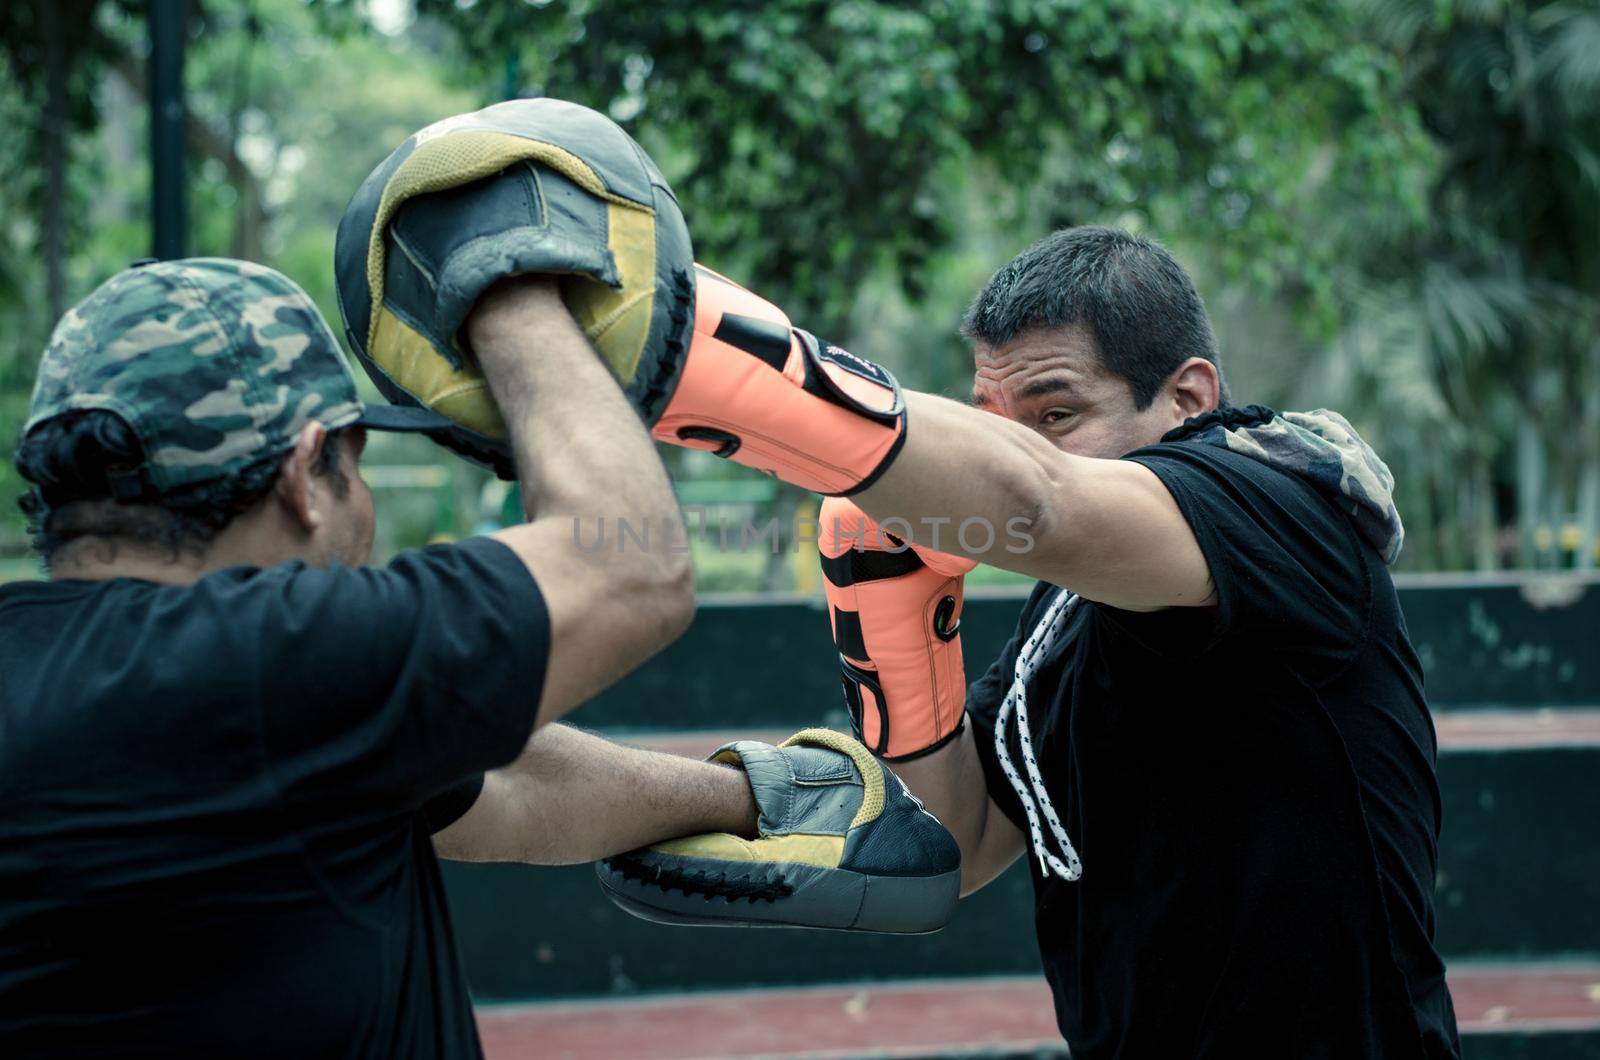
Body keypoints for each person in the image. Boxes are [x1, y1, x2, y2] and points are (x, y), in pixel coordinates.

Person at [0, 258, 951, 1059]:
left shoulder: (261, 710)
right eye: (358, 464)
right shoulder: (270, 658)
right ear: (304, 477)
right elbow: (630, 567)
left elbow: (506, 786)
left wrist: (752, 796)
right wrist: (506, 285)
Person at [628, 226, 1461, 1058]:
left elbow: (1036, 502)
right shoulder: (1064, 612)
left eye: (1056, 414)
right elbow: (963, 838)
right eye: (993, 422)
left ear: (1189, 400)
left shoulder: (1274, 505)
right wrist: (891, 629)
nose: (1016, 448)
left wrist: (690, 344)